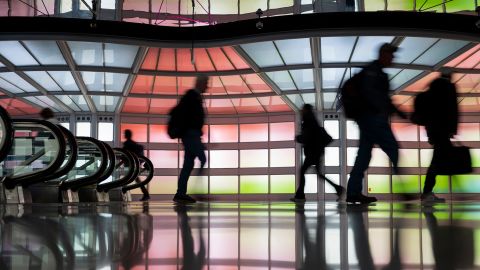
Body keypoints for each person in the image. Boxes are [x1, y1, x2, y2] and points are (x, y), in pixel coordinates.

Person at [346, 43, 407, 204]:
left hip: (368, 119)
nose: (393, 58)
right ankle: (404, 190)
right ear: (383, 54)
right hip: (373, 119)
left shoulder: (378, 73)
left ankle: (353, 192)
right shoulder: (373, 72)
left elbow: (383, 98)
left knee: (364, 156)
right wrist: (383, 111)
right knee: (392, 148)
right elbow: (374, 95)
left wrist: (396, 110)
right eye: (391, 55)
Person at [291, 104, 345, 202]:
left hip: (312, 153)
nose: (301, 111)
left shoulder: (308, 121)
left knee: (302, 171)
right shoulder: (312, 121)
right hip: (317, 153)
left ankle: (300, 195)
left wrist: (298, 138)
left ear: (306, 110)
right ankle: (338, 189)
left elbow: (307, 137)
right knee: (319, 174)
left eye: (303, 109)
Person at [420, 71, 458, 203]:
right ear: (449, 76)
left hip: (434, 131)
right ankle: (427, 192)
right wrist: (453, 129)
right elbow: (453, 109)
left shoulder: (432, 89)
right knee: (437, 162)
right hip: (443, 131)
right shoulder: (448, 88)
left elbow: (428, 114)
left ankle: (427, 192)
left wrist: (430, 133)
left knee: (438, 160)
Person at [173, 75, 209, 204]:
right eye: (206, 83)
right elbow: (191, 117)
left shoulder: (194, 96)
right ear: (200, 83)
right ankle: (198, 192)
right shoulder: (192, 96)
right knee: (202, 158)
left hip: (191, 134)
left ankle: (180, 193)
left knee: (188, 165)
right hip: (191, 134)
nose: (207, 86)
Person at [123, 129, 150, 201]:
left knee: (131, 179)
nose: (124, 135)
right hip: (134, 164)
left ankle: (145, 194)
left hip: (131, 165)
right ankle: (145, 194)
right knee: (133, 179)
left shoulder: (128, 144)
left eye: (125, 134)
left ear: (127, 135)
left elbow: (125, 154)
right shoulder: (132, 143)